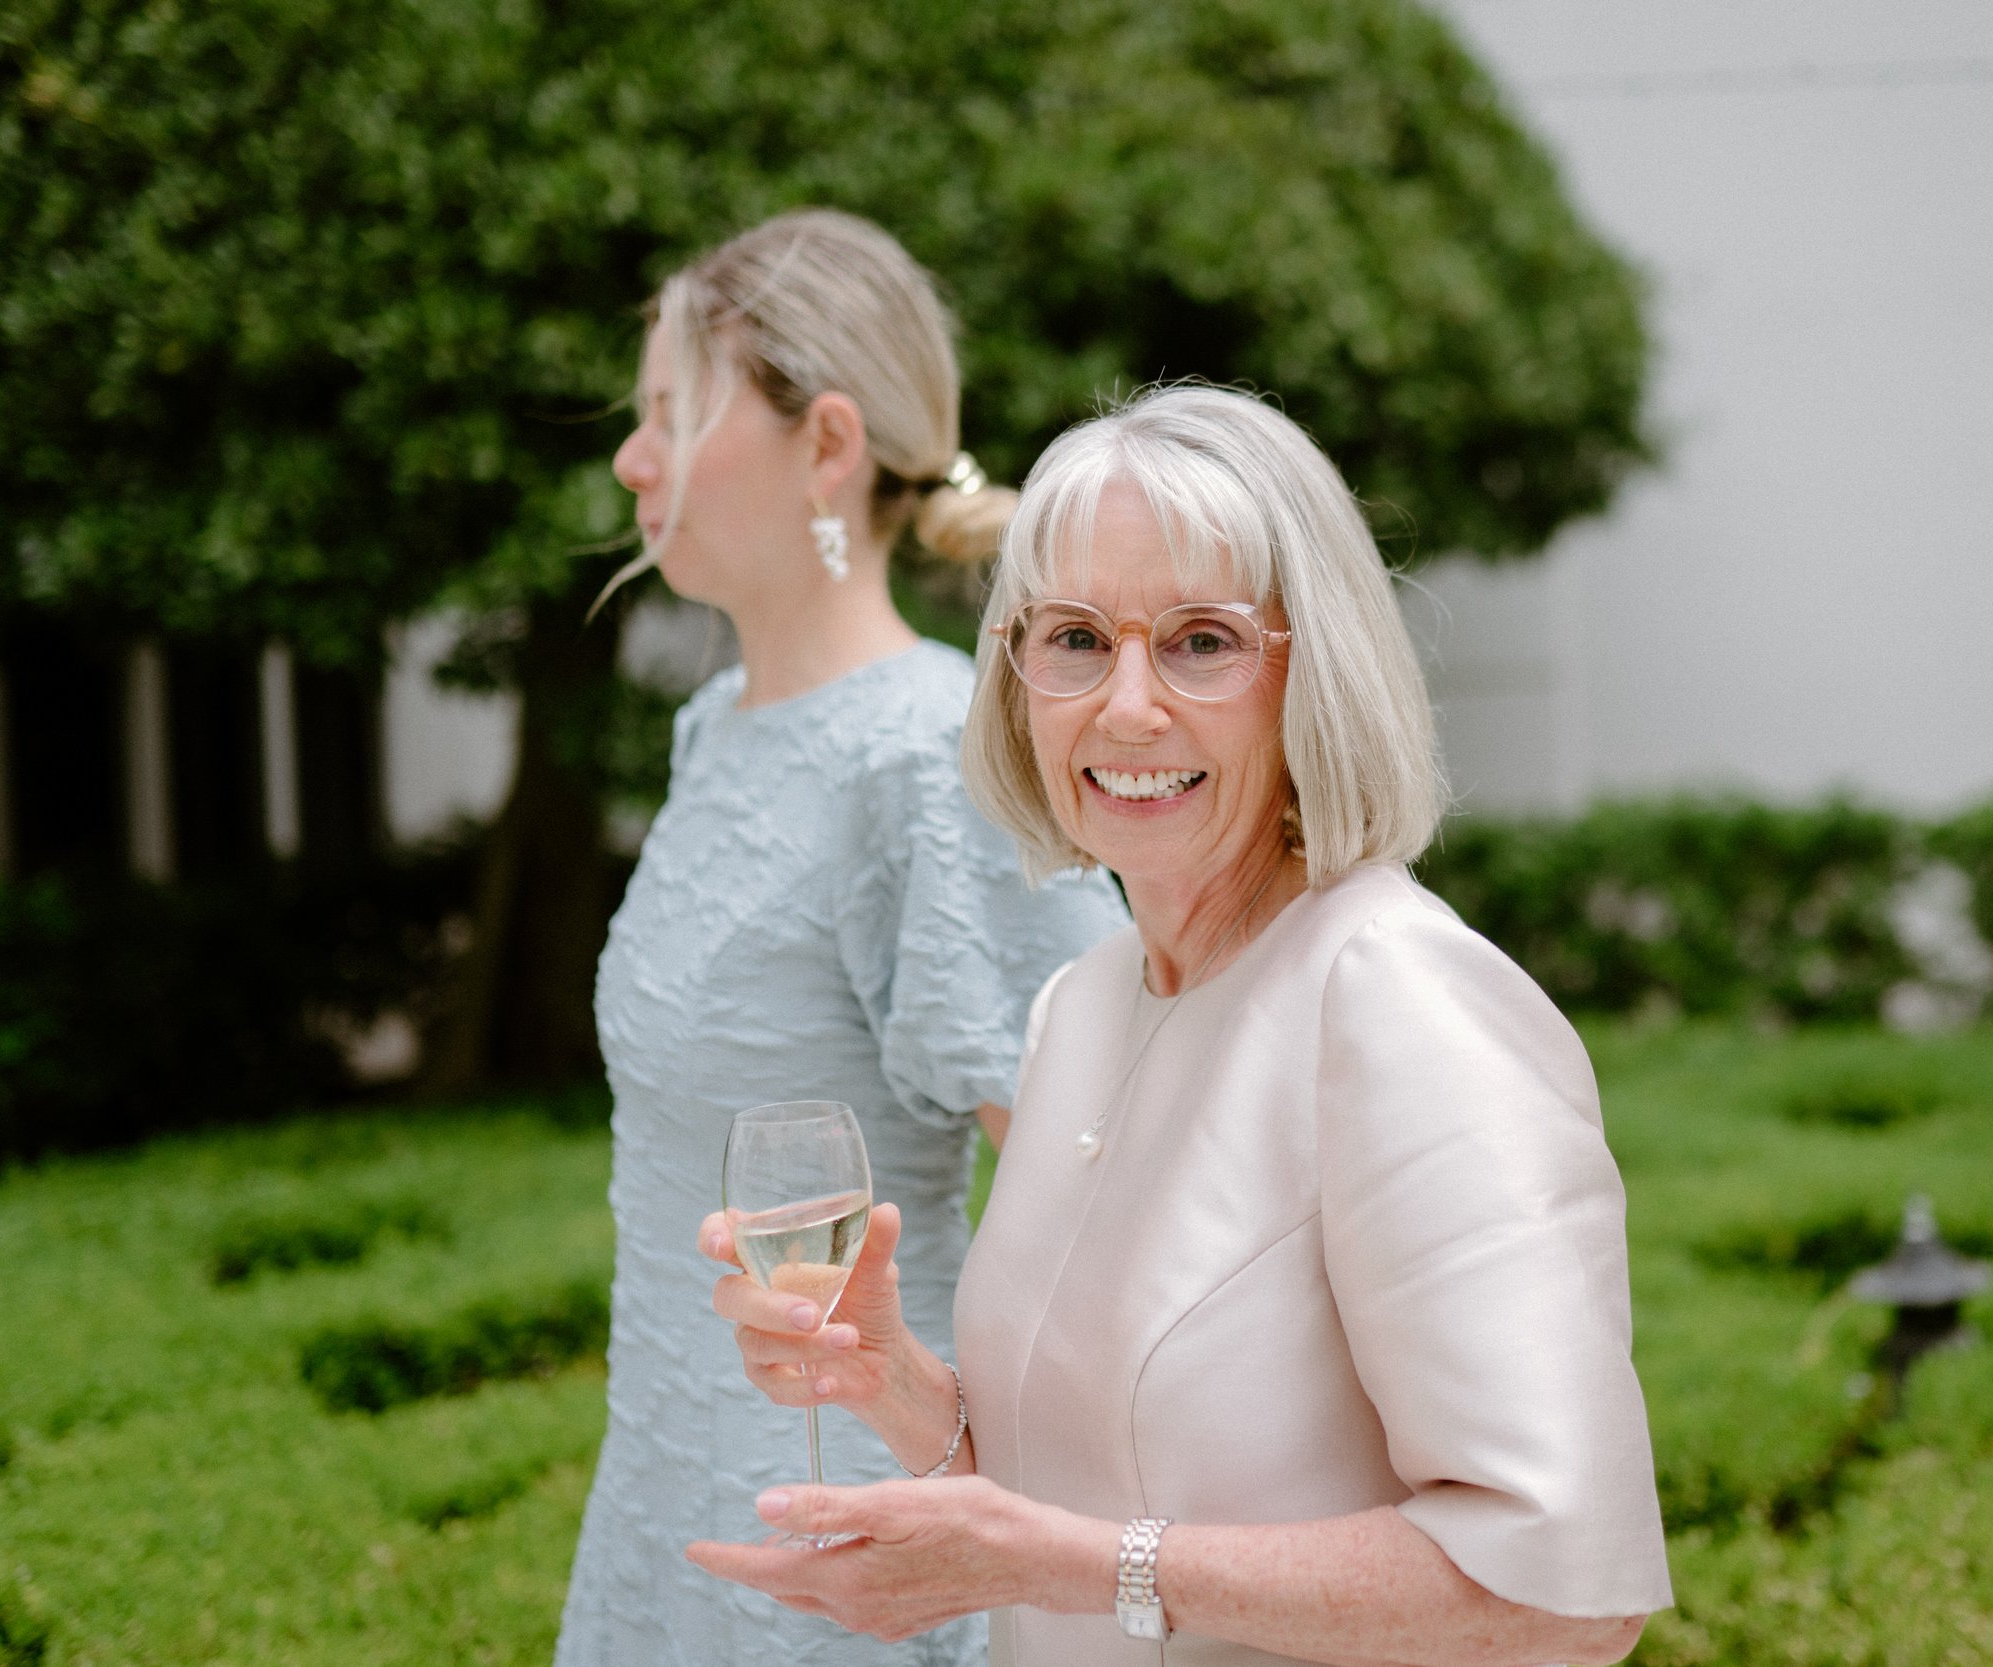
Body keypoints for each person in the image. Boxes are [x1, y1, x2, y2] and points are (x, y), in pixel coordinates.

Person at [686, 385, 1672, 1665]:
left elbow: (1564, 1591)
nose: (1128, 706)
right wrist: (889, 1378)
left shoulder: (1402, 1001)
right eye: (1078, 639)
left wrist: (1073, 1565)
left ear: (1310, 668)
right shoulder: (1080, 1006)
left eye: (1202, 640)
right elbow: (1084, 1485)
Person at [557, 209, 1128, 1667]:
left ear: (826, 444)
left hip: (851, 1543)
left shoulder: (929, 758)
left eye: (672, 415)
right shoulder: (711, 732)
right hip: (665, 1476)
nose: (634, 459)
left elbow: (1107, 1189)